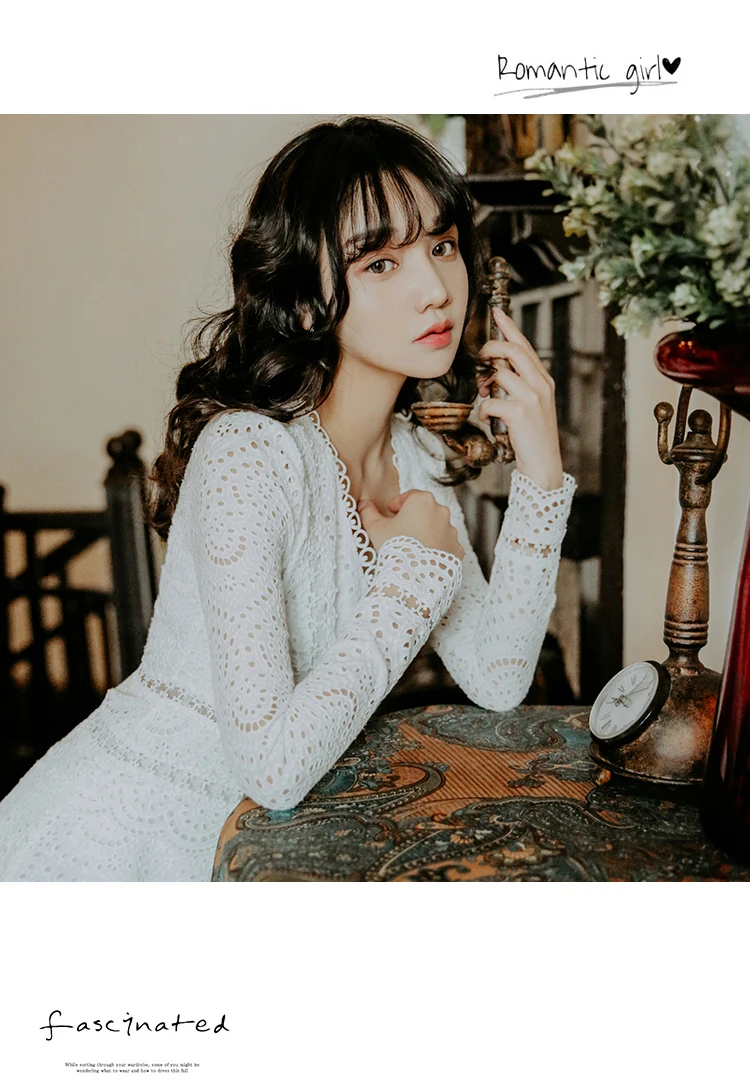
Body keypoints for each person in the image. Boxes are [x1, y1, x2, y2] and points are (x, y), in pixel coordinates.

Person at [0, 116, 577, 881]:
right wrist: (410, 578)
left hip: (265, 851)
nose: (435, 289)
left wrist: (542, 476)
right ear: (305, 301)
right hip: (114, 845)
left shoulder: (414, 455)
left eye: (442, 246)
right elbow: (272, 768)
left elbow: (498, 677)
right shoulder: (249, 453)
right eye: (380, 262)